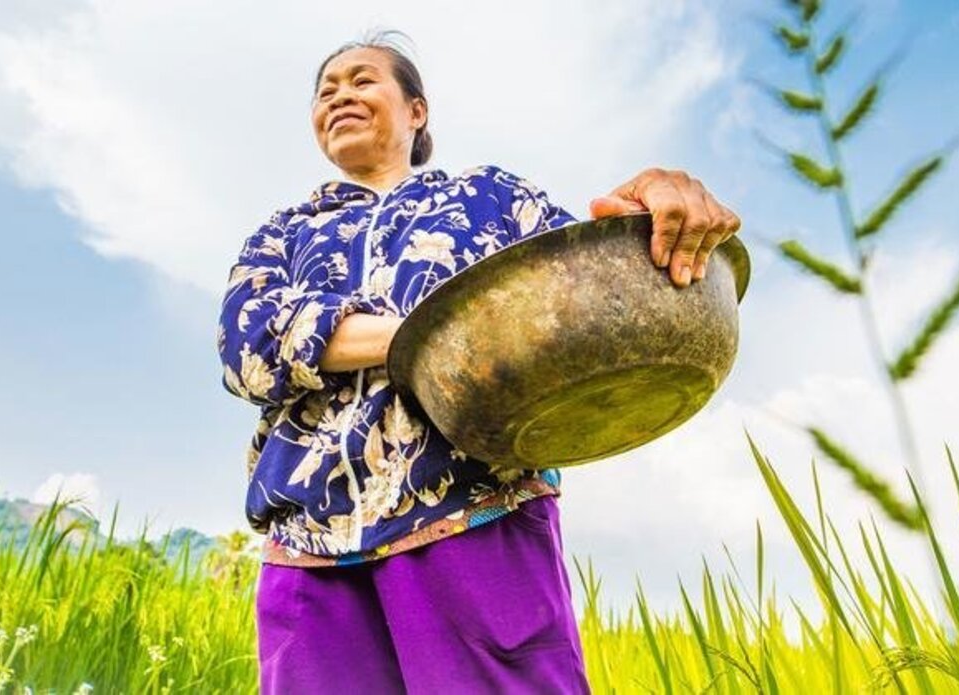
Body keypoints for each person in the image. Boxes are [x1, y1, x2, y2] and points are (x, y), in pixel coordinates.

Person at [217, 31, 741, 695]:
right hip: (308, 548)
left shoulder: (489, 199)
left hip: (476, 516)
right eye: (326, 91)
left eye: (362, 80)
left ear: (417, 111)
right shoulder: (285, 233)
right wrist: (427, 334)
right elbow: (247, 343)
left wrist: (655, 207)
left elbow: (586, 287)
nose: (339, 95)